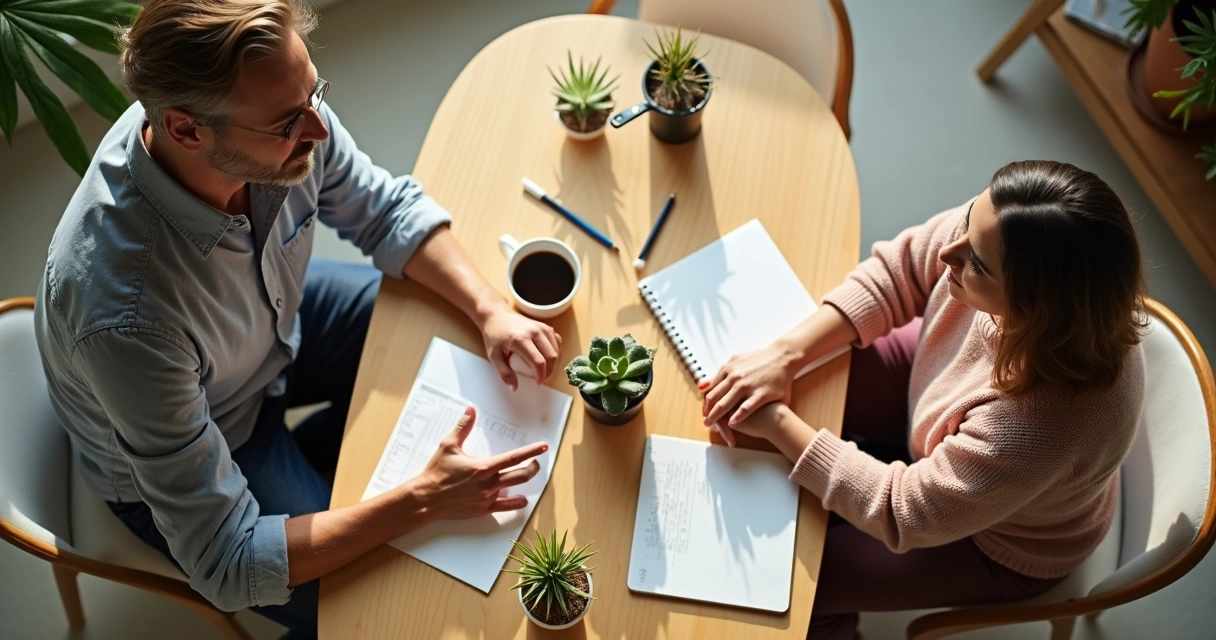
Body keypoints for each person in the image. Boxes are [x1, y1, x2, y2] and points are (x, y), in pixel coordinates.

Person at [33, 1, 561, 637]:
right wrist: (420, 499)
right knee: (358, 607)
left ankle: (321, 465)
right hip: (211, 439)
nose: (318, 128)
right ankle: (322, 469)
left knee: (443, 328)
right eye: (288, 121)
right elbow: (227, 561)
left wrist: (492, 310)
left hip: (275, 323)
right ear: (187, 131)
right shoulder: (127, 315)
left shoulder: (270, 110)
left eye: (315, 92)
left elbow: (384, 212)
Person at [699, 160, 1147, 639]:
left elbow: (903, 511)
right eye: (970, 218)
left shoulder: (1038, 425)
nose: (949, 252)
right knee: (808, 378)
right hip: (939, 399)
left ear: (1033, 309)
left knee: (796, 589)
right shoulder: (1007, 228)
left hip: (994, 540)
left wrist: (777, 423)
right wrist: (784, 356)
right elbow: (901, 268)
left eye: (976, 264)